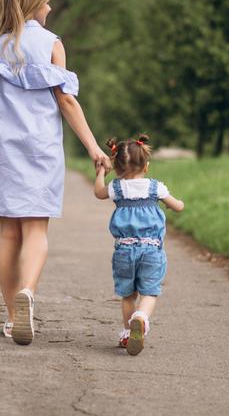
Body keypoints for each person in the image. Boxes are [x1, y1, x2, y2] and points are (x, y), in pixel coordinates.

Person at [0, 0, 110, 346]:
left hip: (1, 145)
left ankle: (11, 316)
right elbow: (66, 101)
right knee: (36, 230)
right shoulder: (52, 44)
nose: (50, 7)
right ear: (35, 6)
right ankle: (28, 293)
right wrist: (93, 147)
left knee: (8, 233)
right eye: (47, 2)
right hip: (40, 146)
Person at [93, 134, 184, 356]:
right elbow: (178, 206)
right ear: (146, 165)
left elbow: (98, 192)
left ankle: (127, 332)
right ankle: (141, 318)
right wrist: (176, 204)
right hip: (152, 249)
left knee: (128, 294)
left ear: (117, 166)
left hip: (124, 249)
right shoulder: (156, 187)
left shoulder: (116, 187)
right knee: (150, 292)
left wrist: (101, 173)